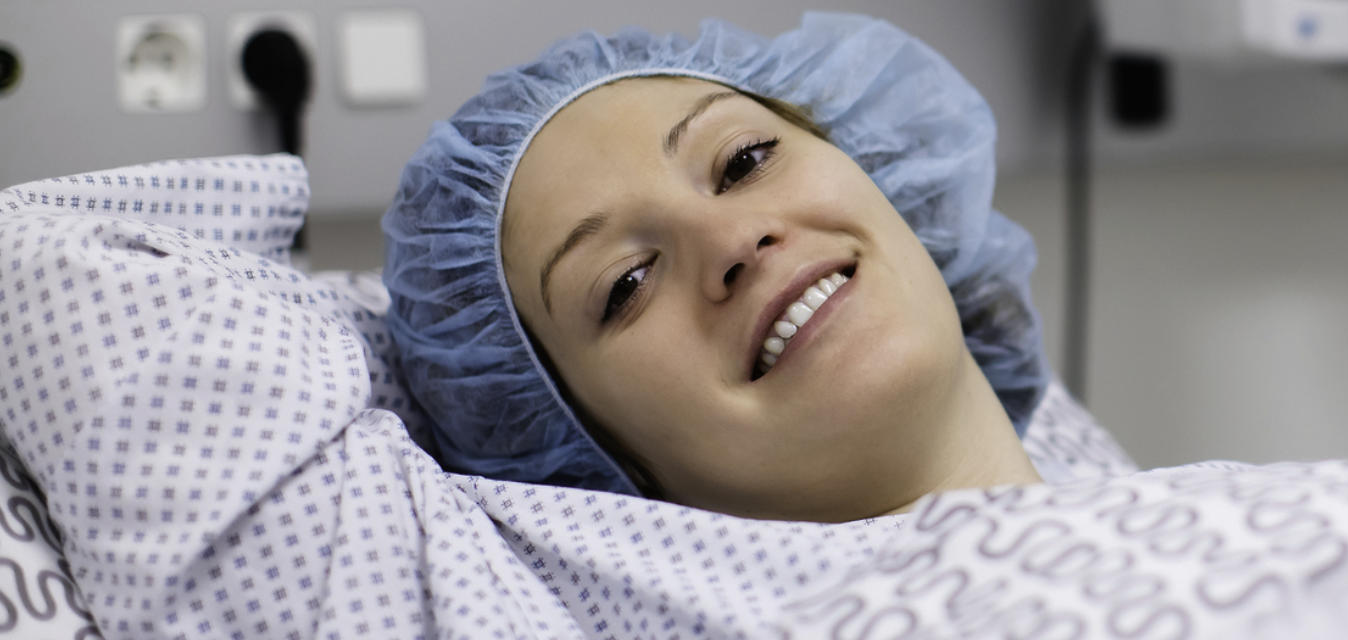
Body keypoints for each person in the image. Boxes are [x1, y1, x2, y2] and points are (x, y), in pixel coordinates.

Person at [383, 13, 1052, 522]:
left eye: (744, 160)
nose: (734, 239)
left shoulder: (1154, 517)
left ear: (873, 167)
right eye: (627, 284)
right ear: (597, 464)